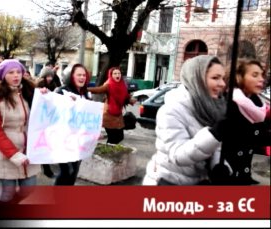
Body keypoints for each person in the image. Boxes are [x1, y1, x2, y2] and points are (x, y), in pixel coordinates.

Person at [142, 55, 227, 185]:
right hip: (169, 184)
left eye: (223, 78)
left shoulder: (212, 107)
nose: (222, 84)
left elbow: (214, 148)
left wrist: (219, 166)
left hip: (198, 182)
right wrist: (214, 134)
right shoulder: (170, 111)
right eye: (215, 78)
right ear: (196, 79)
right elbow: (177, 155)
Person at [0, 59, 40, 204]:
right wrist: (14, 154)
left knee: (29, 188)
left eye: (18, 72)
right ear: (3, 75)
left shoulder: (31, 92)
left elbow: (49, 111)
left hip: (28, 149)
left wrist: (45, 97)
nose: (16, 76)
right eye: (11, 72)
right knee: (7, 192)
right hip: (4, 152)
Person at [211, 59, 270, 185]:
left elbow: (261, 138)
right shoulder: (227, 104)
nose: (261, 79)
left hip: (243, 176)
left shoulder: (257, 107)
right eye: (255, 75)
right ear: (239, 77)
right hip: (225, 177)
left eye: (261, 75)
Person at [53, 63, 91, 185]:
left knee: (74, 172)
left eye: (84, 75)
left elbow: (88, 116)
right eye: (78, 75)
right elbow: (51, 112)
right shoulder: (61, 91)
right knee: (66, 171)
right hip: (63, 140)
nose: (82, 77)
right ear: (71, 76)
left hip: (79, 141)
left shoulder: (85, 93)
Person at [88, 67, 137, 144]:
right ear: (111, 75)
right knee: (113, 138)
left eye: (119, 73)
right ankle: (107, 153)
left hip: (118, 115)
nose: (117, 75)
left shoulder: (122, 85)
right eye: (115, 73)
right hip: (109, 115)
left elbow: (125, 96)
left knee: (120, 137)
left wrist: (130, 100)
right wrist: (86, 89)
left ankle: (108, 149)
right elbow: (98, 89)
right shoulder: (109, 85)